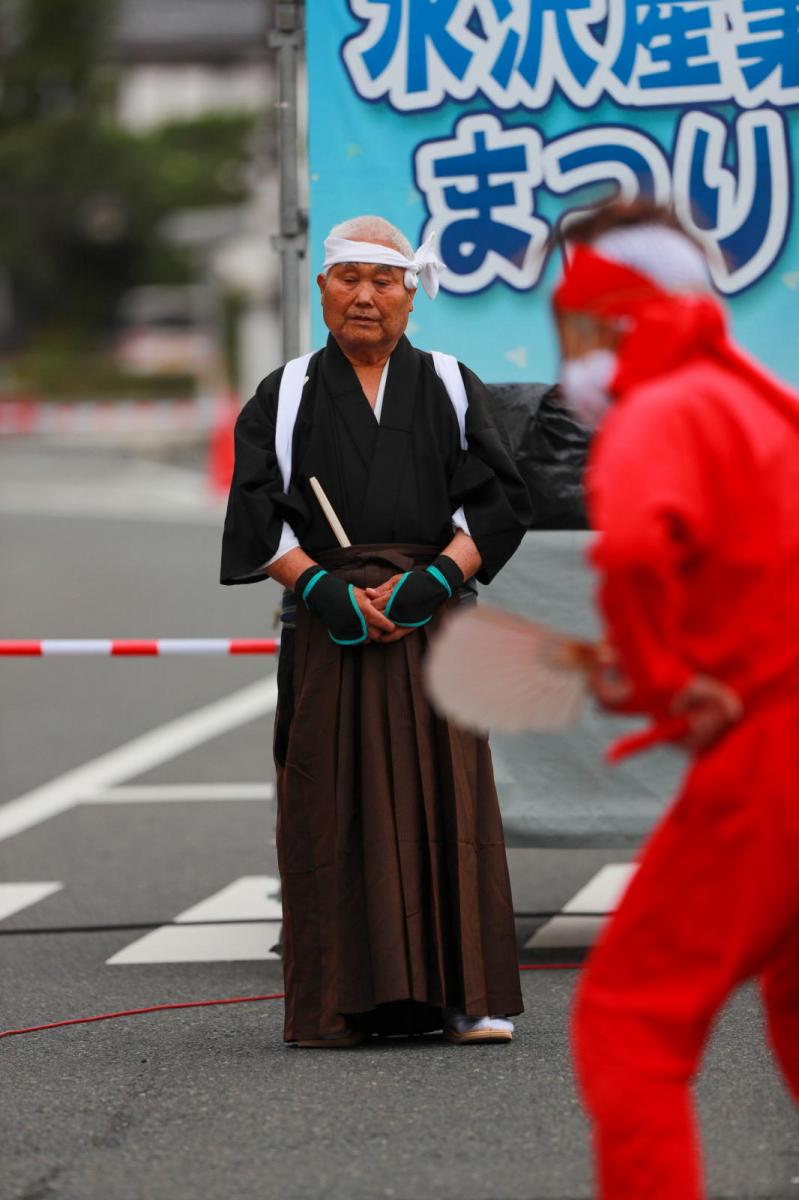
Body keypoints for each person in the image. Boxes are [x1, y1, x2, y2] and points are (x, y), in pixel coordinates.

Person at [221, 215, 531, 1047]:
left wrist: (433, 581)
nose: (365, 296)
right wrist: (320, 588)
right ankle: (337, 1006)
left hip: (432, 624)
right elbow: (256, 514)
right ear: (321, 287)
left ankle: (463, 999)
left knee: (448, 799)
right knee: (331, 803)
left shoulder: (451, 384)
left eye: (383, 281)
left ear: (410, 294)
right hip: (331, 627)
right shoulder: (283, 393)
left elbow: (495, 505)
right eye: (348, 277)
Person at [551, 200, 799, 1198]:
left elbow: (641, 550)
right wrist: (673, 664)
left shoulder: (661, 410)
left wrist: (659, 674)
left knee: (630, 1020)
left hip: (773, 758)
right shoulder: (760, 402)